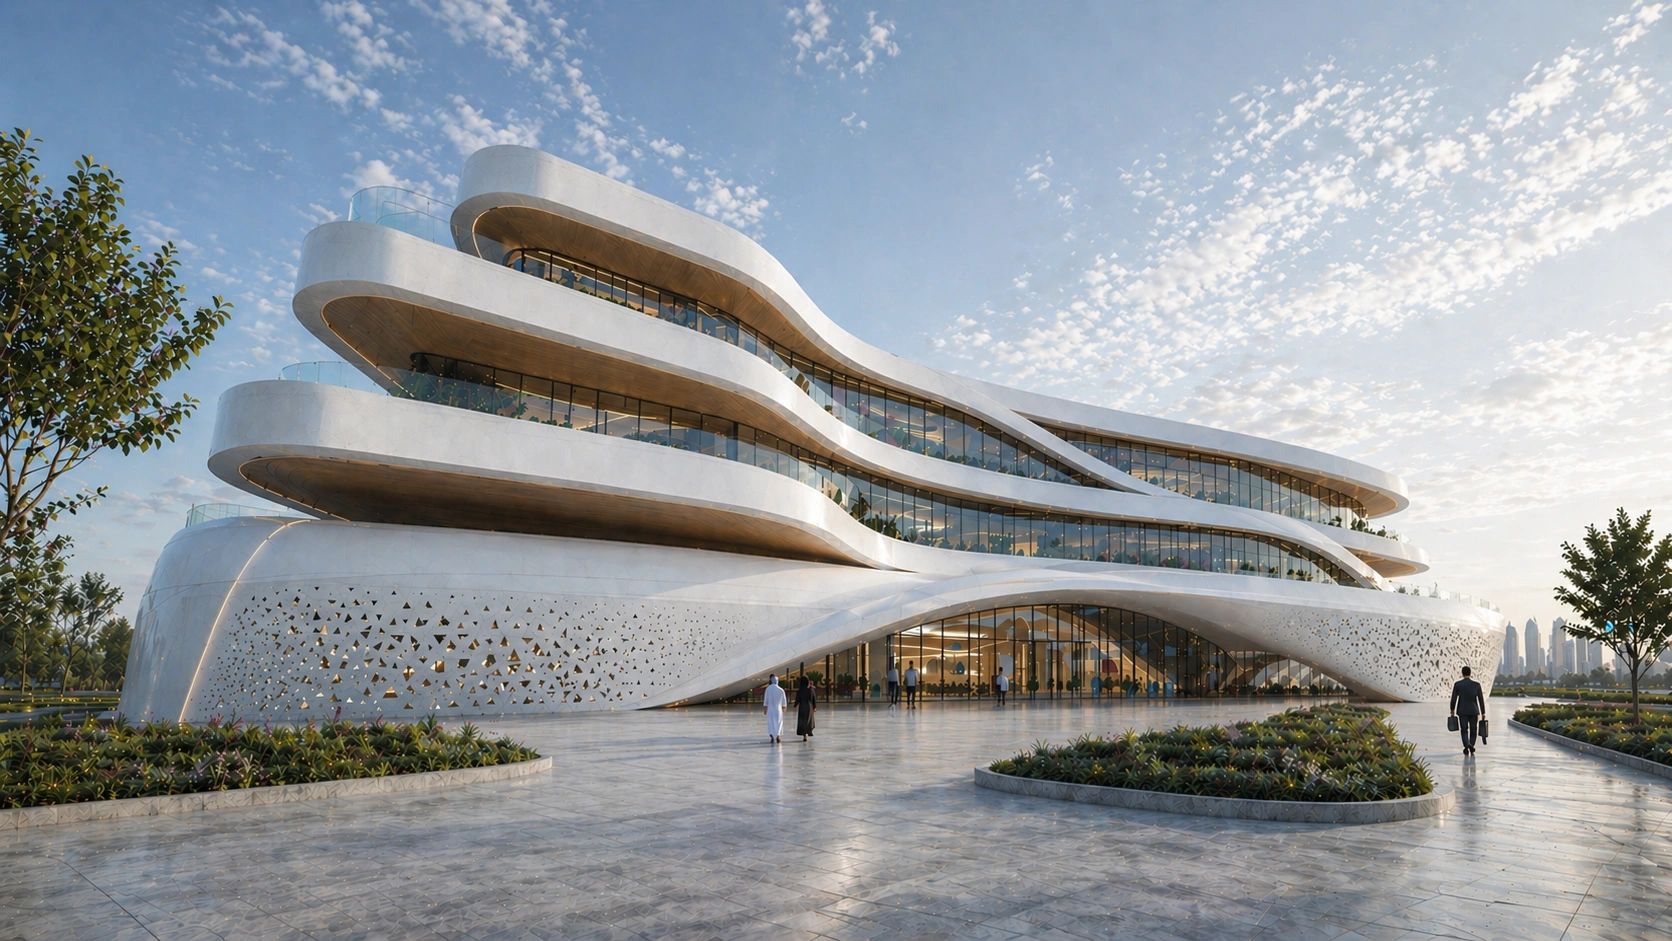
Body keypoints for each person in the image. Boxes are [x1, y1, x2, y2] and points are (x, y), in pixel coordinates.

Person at [1449, 665, 1486, 756]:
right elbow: (1481, 699)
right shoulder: (1476, 685)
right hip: (1474, 711)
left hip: (1462, 711)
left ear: (1462, 673)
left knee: (1464, 730)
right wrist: (1483, 712)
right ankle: (1471, 745)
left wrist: (1452, 709)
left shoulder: (1458, 684)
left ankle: (1466, 746)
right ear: (1470, 673)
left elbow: (1453, 698)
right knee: (1473, 730)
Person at [763, 674, 786, 745]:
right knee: (779, 723)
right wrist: (783, 709)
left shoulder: (768, 689)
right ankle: (778, 735)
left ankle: (772, 736)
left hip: (770, 709)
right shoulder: (781, 690)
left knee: (771, 723)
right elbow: (784, 702)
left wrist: (765, 709)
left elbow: (765, 701)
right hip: (778, 710)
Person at [796, 675, 817, 742]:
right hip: (809, 707)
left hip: (802, 706)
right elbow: (814, 699)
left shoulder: (800, 690)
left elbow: (798, 699)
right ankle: (809, 731)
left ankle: (804, 735)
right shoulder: (811, 689)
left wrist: (795, 705)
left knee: (803, 720)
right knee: (809, 720)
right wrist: (814, 707)